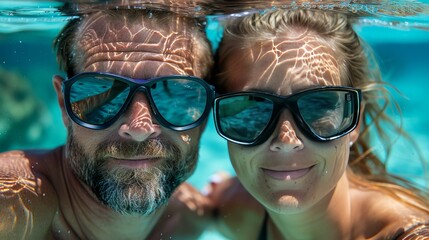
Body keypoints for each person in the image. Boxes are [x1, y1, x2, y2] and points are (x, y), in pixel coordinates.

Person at [209, 9, 429, 239]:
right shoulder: (232, 210)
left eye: (316, 105)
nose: (286, 141)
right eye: (255, 107)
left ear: (355, 120)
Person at [0, 8, 215, 239]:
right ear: (64, 105)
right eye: (105, 93)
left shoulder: (193, 217)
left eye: (173, 95)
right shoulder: (17, 199)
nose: (139, 129)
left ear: (206, 110)